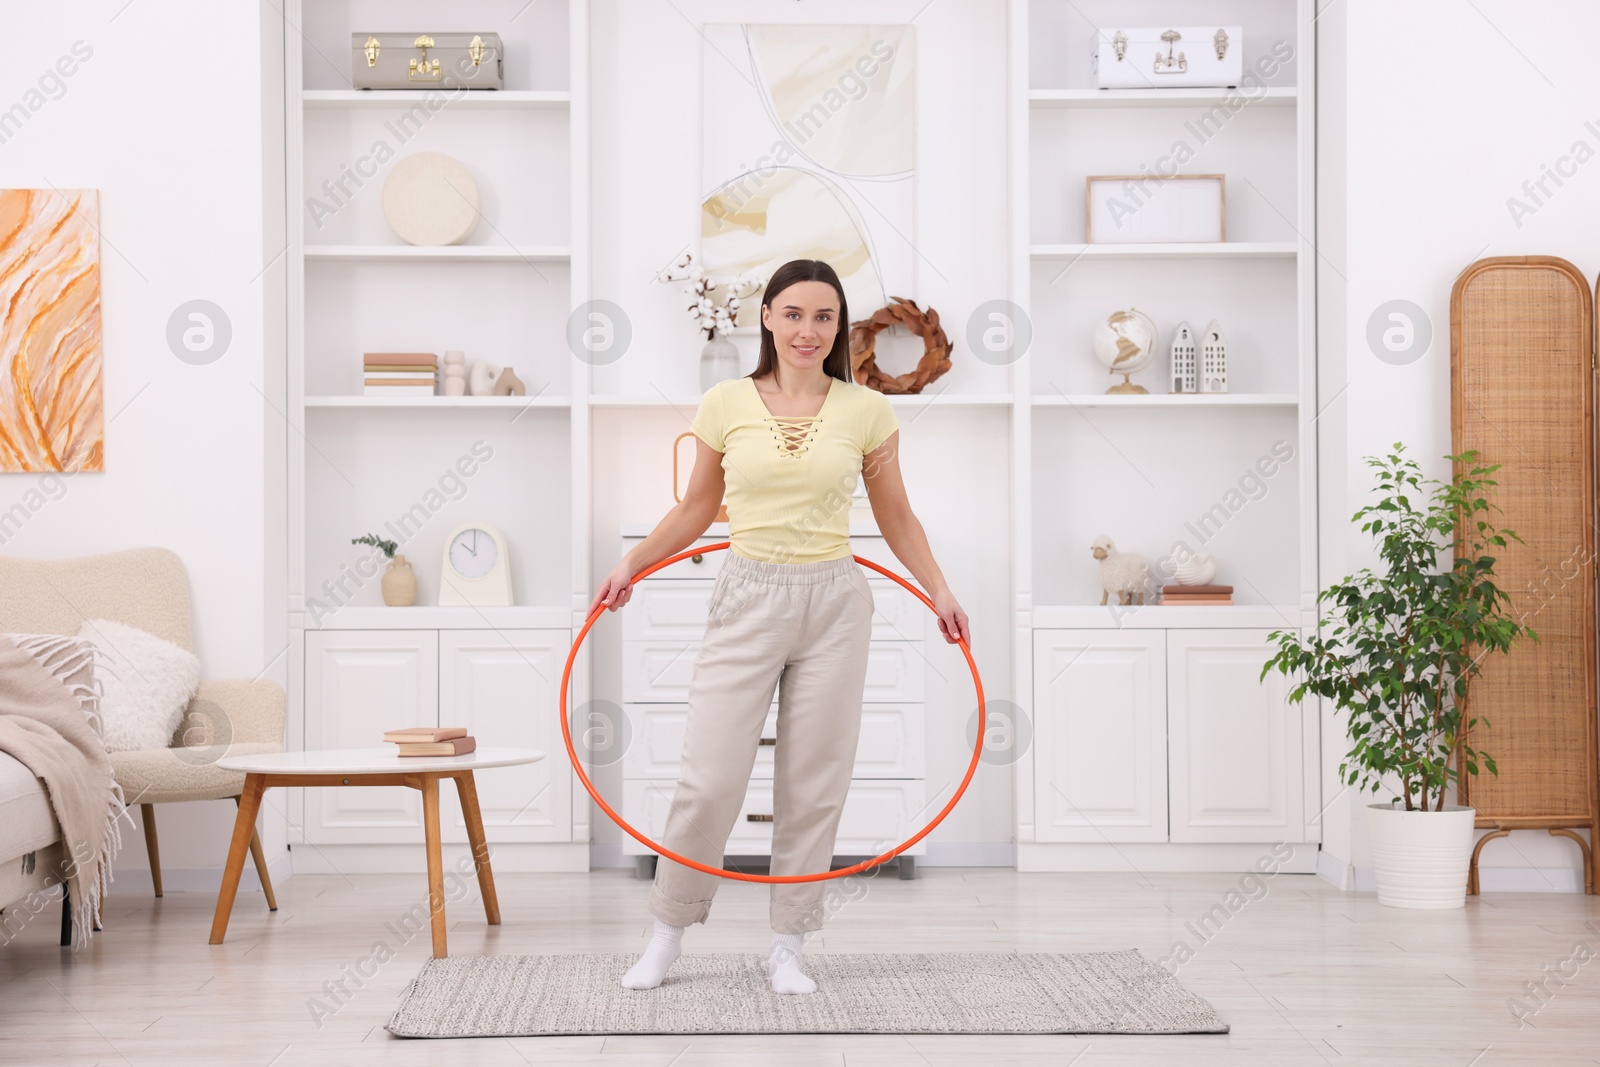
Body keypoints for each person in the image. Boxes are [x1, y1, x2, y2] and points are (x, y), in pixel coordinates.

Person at [591, 258, 970, 995]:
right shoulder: (725, 402)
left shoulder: (866, 411)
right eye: (793, 314)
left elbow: (895, 515)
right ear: (766, 316)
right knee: (709, 778)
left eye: (824, 317)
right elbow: (697, 508)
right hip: (748, 592)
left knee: (813, 781)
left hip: (834, 600)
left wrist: (941, 589)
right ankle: (667, 932)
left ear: (839, 327)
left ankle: (789, 946)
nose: (808, 330)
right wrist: (631, 564)